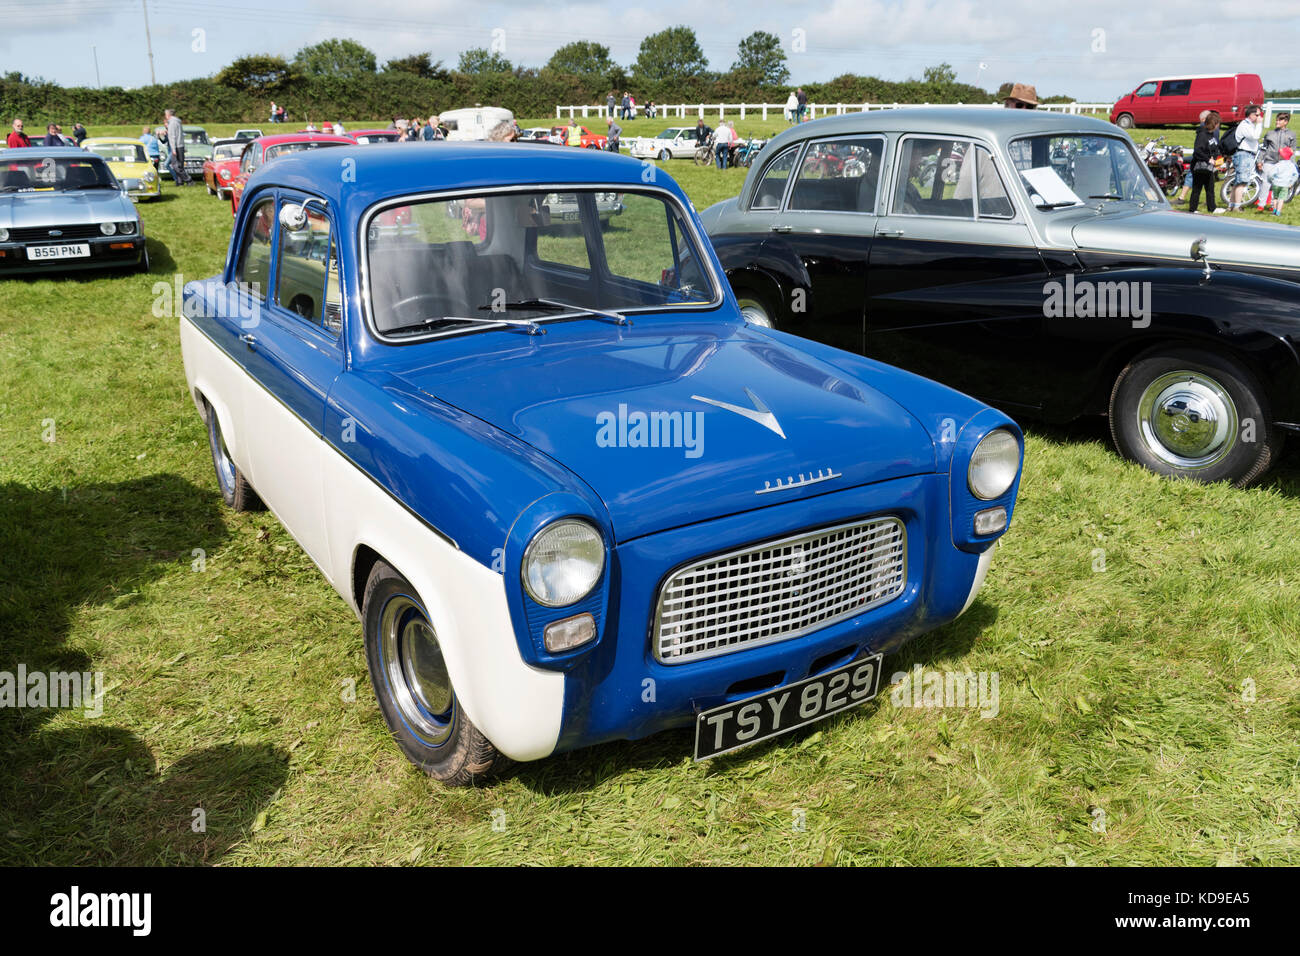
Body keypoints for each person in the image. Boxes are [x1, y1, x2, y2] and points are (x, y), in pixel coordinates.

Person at [1255, 112, 1295, 210]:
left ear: (1285, 122)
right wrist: (1260, 161)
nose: (1277, 121)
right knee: (1265, 182)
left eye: (1279, 120)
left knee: (1277, 185)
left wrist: (1291, 165)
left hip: (1283, 163)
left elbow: (1292, 151)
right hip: (1269, 161)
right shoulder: (1270, 133)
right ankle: (1261, 204)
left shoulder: (1291, 135)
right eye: (1276, 119)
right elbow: (1263, 148)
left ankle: (1274, 205)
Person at [1228, 104, 1263, 212]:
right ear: (1250, 114)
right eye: (1256, 114)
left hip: (1247, 154)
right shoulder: (1245, 125)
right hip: (1244, 154)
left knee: (1239, 181)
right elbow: (1255, 136)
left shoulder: (1249, 125)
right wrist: (1259, 125)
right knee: (1242, 181)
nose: (1258, 117)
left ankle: (1232, 205)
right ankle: (1237, 206)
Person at [1189, 111, 1222, 214]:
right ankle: (1193, 209)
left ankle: (1212, 207)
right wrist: (1208, 159)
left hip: (1208, 166)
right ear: (1214, 123)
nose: (1218, 126)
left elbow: (1214, 147)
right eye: (1218, 123)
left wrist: (1216, 157)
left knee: (1210, 187)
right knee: (1197, 188)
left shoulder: (1211, 134)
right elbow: (1198, 151)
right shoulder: (1202, 134)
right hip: (1199, 165)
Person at [165, 108, 189, 186]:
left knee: (175, 165)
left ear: (168, 115)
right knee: (180, 165)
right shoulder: (178, 122)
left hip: (176, 146)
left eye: (166, 115)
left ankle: (188, 180)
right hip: (181, 145)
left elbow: (172, 137)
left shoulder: (172, 123)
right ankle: (180, 182)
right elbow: (181, 135)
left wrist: (173, 149)